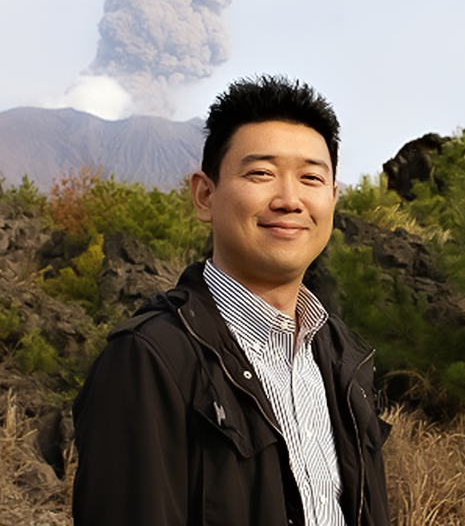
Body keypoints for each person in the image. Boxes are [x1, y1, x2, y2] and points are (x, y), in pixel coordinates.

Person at [72, 75, 391, 526]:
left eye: (312, 178)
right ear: (205, 195)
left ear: (333, 199)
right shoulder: (151, 360)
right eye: (261, 173)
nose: (289, 199)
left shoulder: (343, 357)